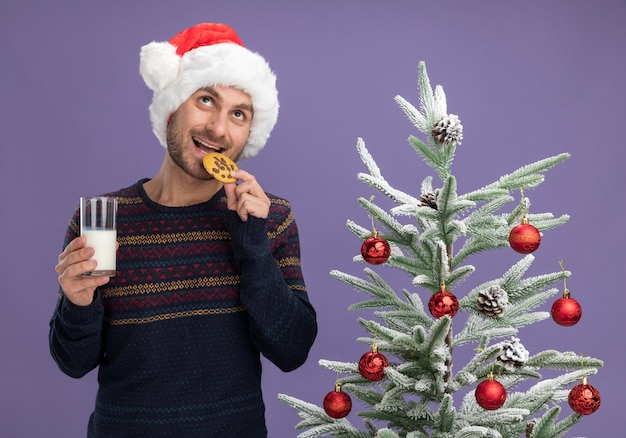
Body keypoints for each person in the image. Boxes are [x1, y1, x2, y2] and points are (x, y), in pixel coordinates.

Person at [49, 23, 317, 437]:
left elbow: (292, 350)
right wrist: (77, 304)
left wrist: (253, 246)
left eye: (239, 114)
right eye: (206, 100)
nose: (218, 129)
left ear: (249, 132)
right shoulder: (103, 220)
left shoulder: (269, 217)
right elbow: (74, 362)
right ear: (173, 107)